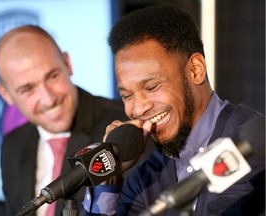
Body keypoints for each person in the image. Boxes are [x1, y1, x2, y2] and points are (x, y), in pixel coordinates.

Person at [80, 4, 265, 216]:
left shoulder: (252, 147)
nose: (139, 108)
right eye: (127, 96)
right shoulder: (147, 176)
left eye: (151, 87)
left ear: (196, 70)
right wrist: (108, 177)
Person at [0, 25, 129, 216]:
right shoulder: (12, 145)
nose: (48, 99)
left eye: (53, 76)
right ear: (6, 94)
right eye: (27, 89)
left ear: (67, 63)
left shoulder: (124, 129)